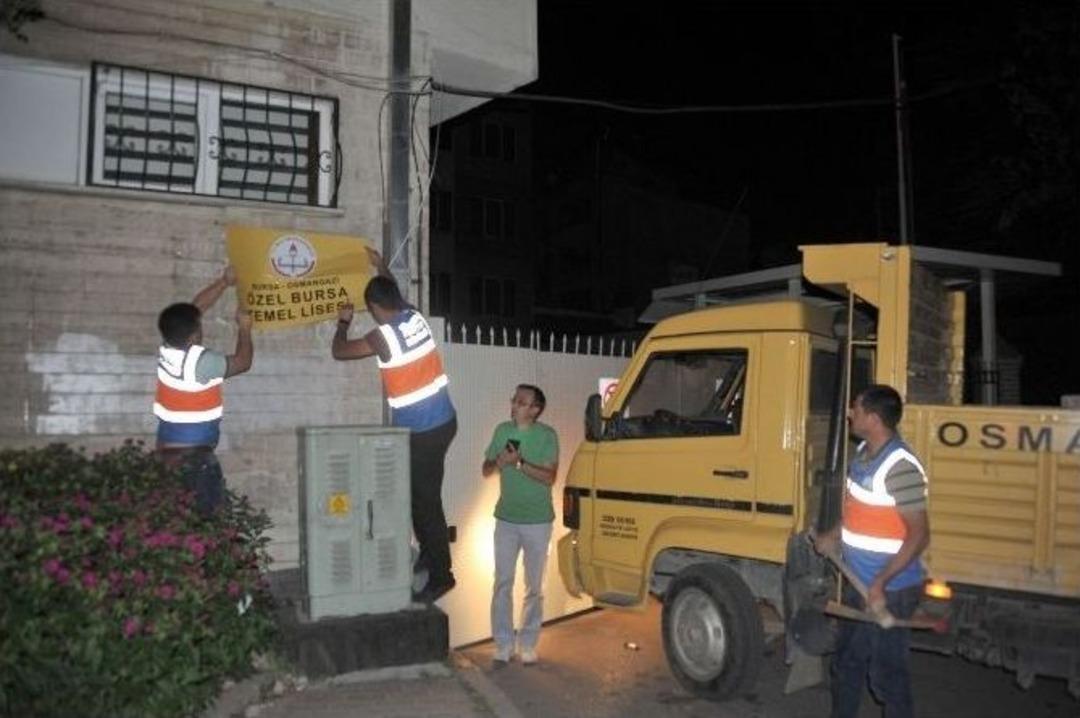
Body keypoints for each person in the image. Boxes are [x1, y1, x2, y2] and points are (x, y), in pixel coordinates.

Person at [332, 249, 458, 604]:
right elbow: (393, 291)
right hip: (443, 422)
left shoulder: (382, 337)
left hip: (424, 432)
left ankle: (442, 575)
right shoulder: (413, 316)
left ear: (372, 307)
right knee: (419, 498)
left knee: (426, 503)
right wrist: (380, 266)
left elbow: (340, 352)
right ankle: (431, 559)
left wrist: (342, 322)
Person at [813, 384, 931, 718]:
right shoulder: (864, 452)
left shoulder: (899, 466)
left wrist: (880, 583)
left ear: (874, 418)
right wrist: (832, 536)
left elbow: (920, 535)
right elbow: (858, 512)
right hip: (859, 585)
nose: (850, 413)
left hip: (889, 591)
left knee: (888, 679)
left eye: (857, 409)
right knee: (847, 666)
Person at [154, 266, 253, 515]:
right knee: (207, 523)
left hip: (166, 454)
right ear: (195, 334)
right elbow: (242, 363)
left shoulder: (167, 350)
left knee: (177, 521)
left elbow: (194, 310)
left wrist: (224, 282)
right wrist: (245, 328)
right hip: (193, 461)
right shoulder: (201, 362)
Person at [481, 384, 559, 665]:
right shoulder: (502, 431)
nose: (514, 404)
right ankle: (503, 643)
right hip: (506, 520)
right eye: (514, 399)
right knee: (502, 583)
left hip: (538, 522)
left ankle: (527, 643)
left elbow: (549, 476)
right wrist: (497, 463)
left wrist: (518, 463)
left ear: (535, 409)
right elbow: (486, 469)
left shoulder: (547, 435)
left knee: (534, 587)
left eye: (521, 401)